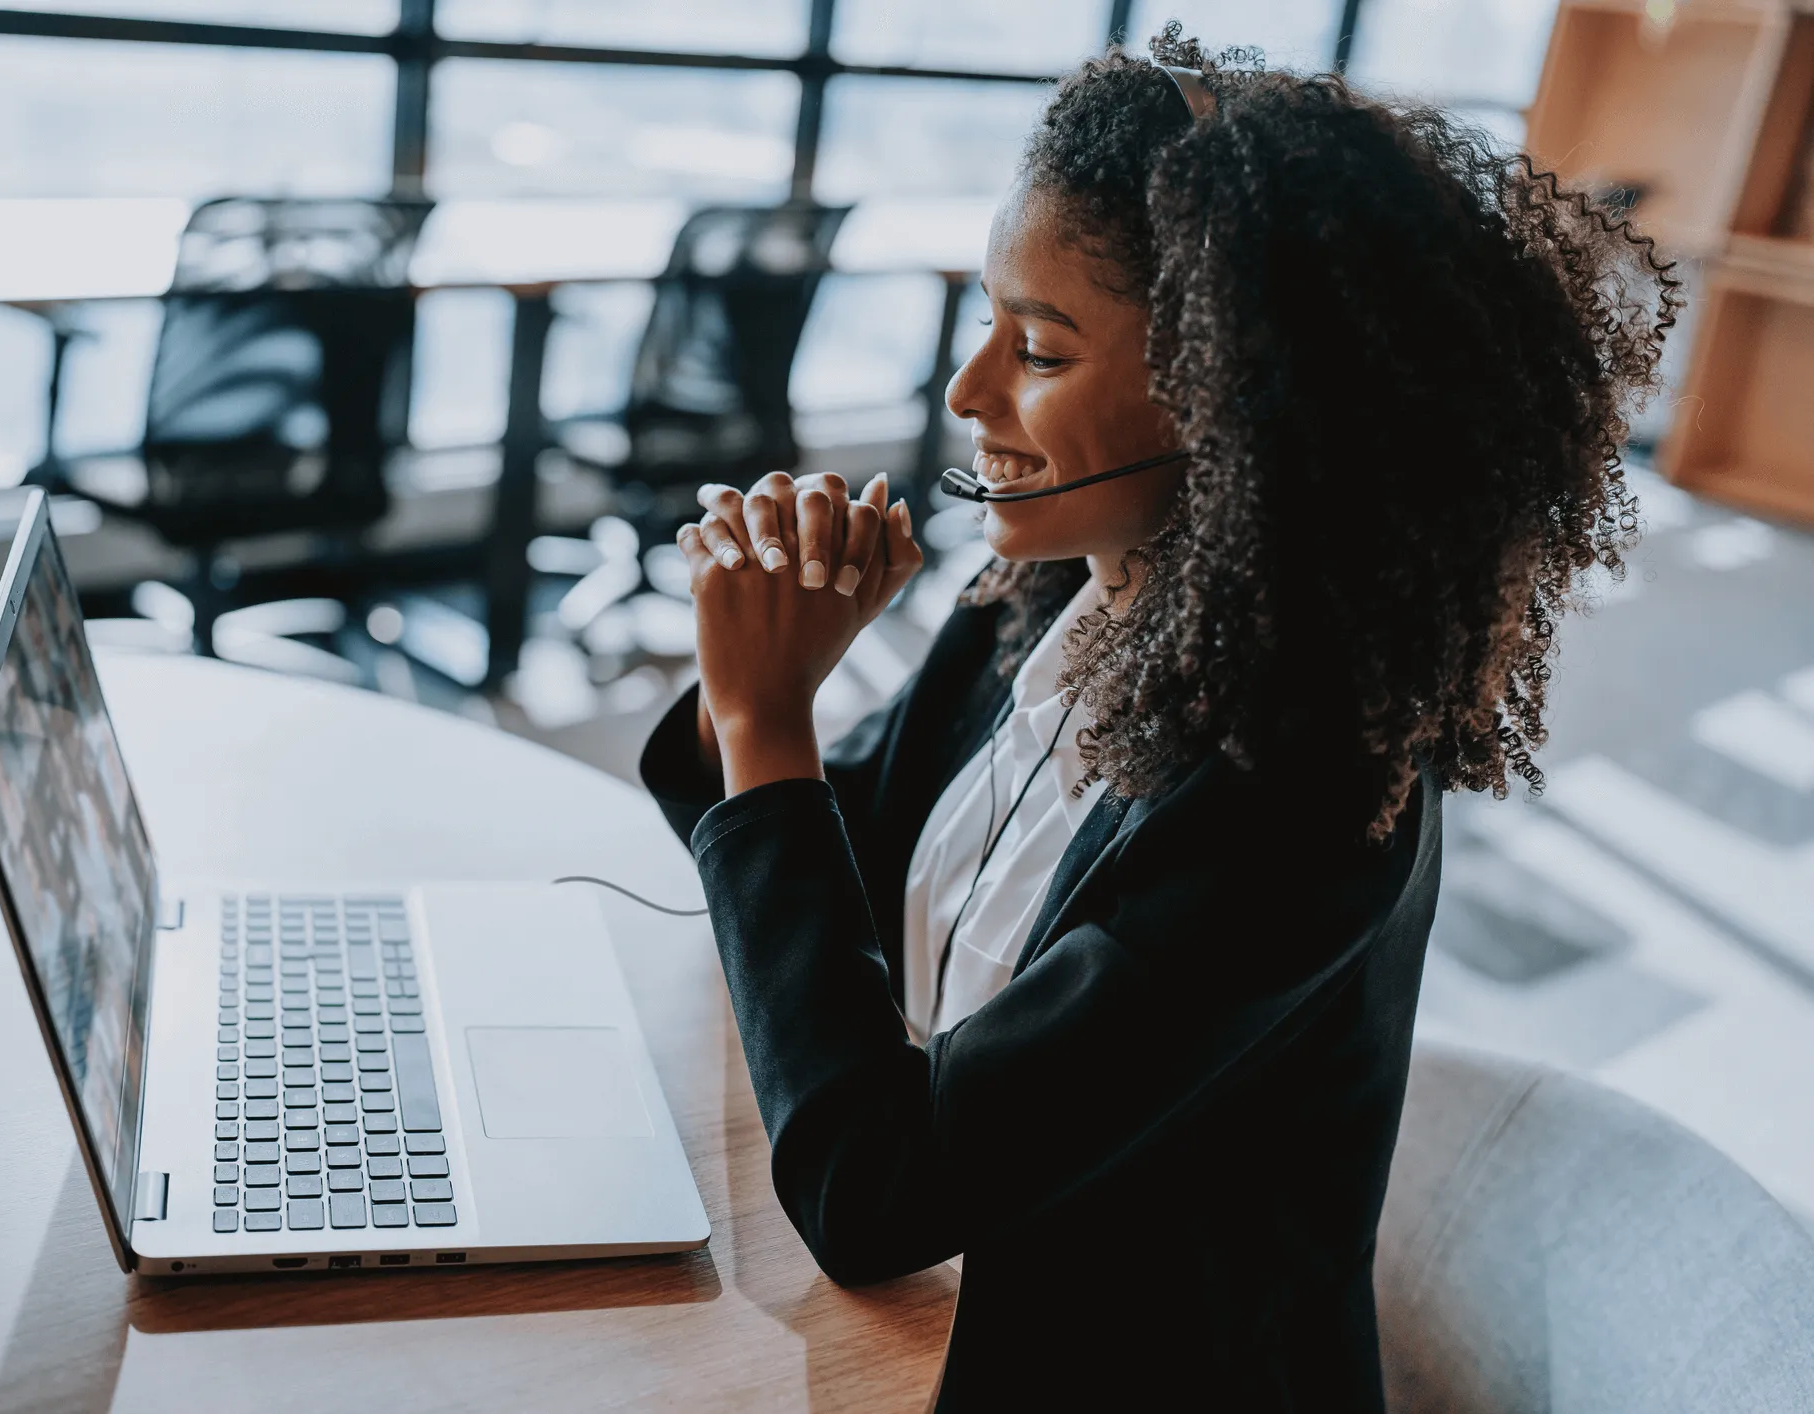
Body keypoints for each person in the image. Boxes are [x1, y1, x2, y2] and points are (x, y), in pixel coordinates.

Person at [640, 27, 1678, 1412]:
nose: (967, 396)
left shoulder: (1299, 798)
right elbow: (847, 877)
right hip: (941, 1319)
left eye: (1039, 349)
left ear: (1230, 401)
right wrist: (758, 688)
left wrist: (763, 724)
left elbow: (873, 1189)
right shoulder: (1040, 589)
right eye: (987, 327)